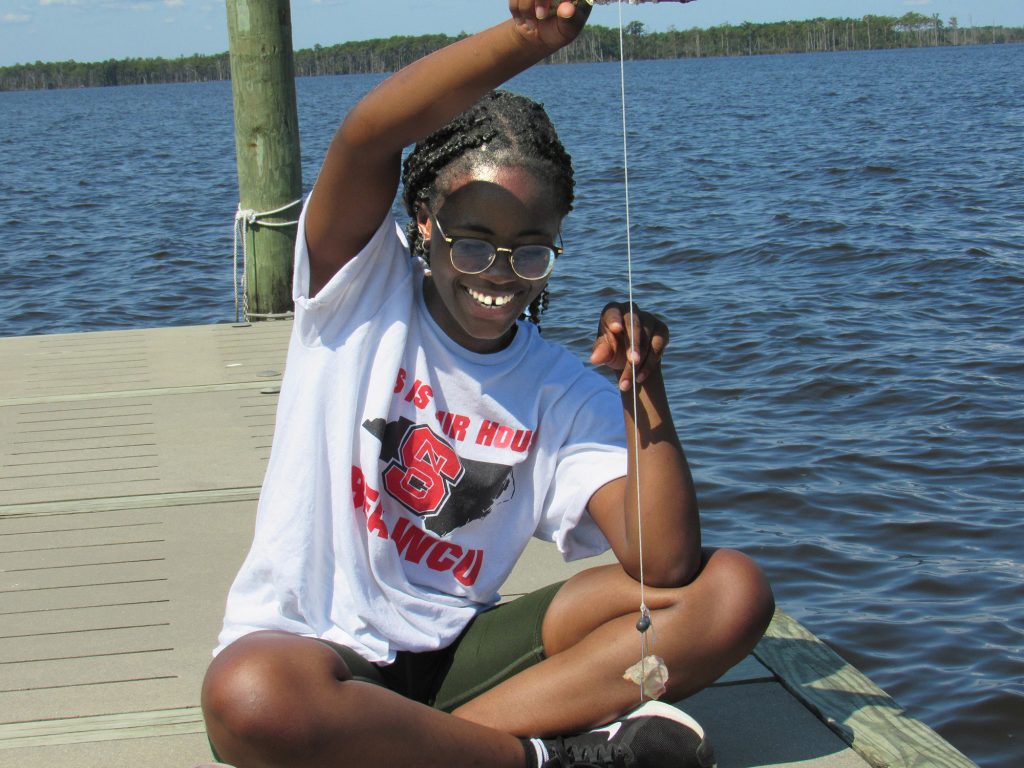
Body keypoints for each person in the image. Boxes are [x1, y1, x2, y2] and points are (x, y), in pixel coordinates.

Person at [201, 2, 774, 767]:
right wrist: (528, 39)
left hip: (458, 655)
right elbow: (369, 134)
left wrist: (646, 386)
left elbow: (661, 564)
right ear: (425, 225)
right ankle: (541, 759)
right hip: (320, 653)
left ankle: (431, 750)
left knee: (731, 590)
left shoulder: (557, 386)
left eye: (530, 253)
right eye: (474, 245)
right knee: (249, 695)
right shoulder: (357, 291)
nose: (500, 276)